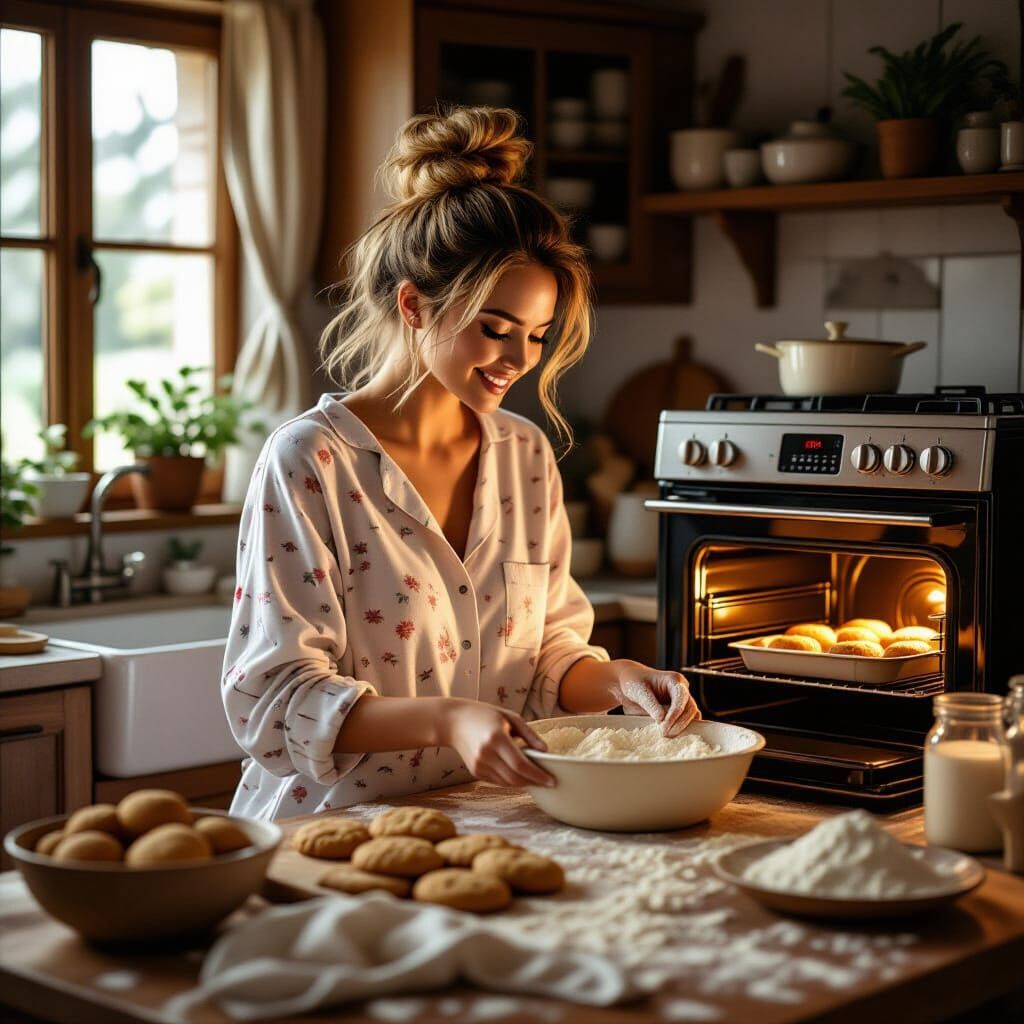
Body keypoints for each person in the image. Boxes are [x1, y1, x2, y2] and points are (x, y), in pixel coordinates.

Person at [222, 106, 701, 820]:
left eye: (537, 335)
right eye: (495, 329)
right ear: (414, 306)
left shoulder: (525, 455)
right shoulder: (312, 458)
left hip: (491, 818)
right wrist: (449, 719)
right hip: (334, 829)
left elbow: (545, 660)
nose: (519, 360)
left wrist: (616, 679)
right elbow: (277, 696)